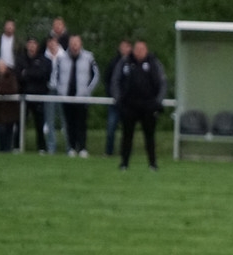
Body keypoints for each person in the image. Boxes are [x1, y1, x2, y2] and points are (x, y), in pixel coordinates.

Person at [112, 40, 166, 171]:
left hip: (148, 106)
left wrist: (157, 102)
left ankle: (152, 164)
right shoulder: (125, 62)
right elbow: (115, 80)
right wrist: (118, 99)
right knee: (127, 136)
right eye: (137, 49)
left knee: (150, 136)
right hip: (129, 105)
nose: (139, 52)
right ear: (133, 50)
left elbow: (162, 83)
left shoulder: (154, 62)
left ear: (146, 50)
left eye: (142, 49)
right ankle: (124, 164)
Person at [57, 35, 99, 157]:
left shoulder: (89, 57)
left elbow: (96, 75)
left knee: (81, 123)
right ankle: (71, 147)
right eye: (72, 43)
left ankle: (82, 148)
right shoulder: (62, 58)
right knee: (69, 123)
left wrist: (87, 90)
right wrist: (60, 90)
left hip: (82, 97)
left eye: (76, 43)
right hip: (66, 97)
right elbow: (55, 75)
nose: (74, 46)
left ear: (80, 44)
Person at [17, 38, 52, 154]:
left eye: (34, 44)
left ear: (37, 46)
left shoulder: (45, 60)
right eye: (30, 44)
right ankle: (17, 145)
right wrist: (32, 73)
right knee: (20, 122)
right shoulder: (20, 59)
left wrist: (27, 73)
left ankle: (41, 147)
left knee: (39, 123)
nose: (32, 47)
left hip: (39, 96)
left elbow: (43, 75)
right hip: (24, 96)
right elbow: (18, 75)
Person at [103, 40, 132, 157]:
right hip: (115, 102)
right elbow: (107, 80)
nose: (124, 49)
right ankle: (108, 152)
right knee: (111, 127)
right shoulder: (114, 62)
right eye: (122, 47)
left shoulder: (134, 63)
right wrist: (112, 94)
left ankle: (125, 152)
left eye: (126, 46)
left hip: (129, 103)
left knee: (127, 129)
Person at [0, 58, 20, 152]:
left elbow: (13, 90)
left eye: (2, 67)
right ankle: (1, 149)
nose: (0, 69)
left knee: (9, 131)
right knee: (1, 130)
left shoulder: (11, 76)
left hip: (10, 110)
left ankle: (8, 149)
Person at [42, 36, 66, 154]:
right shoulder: (44, 57)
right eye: (50, 42)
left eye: (54, 42)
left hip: (62, 91)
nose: (52, 44)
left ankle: (69, 146)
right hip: (49, 90)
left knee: (65, 118)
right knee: (49, 119)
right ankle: (51, 147)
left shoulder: (65, 56)